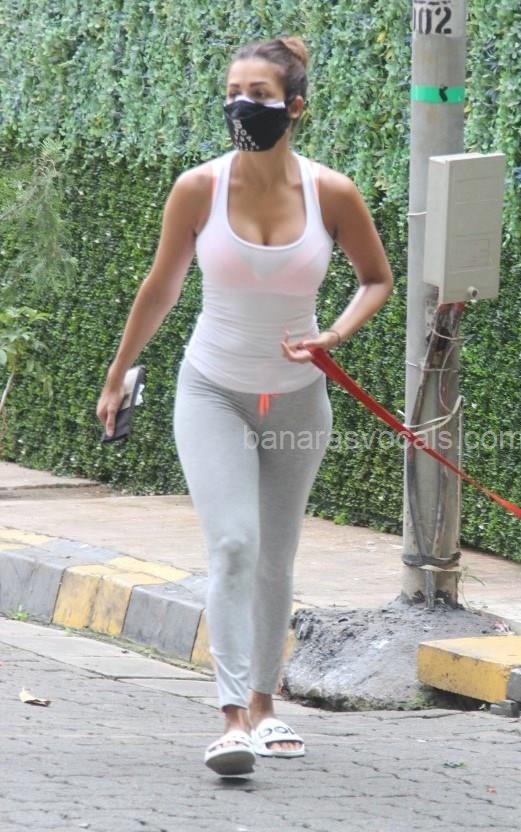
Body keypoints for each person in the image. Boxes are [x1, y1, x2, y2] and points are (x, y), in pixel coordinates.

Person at [96, 35, 393, 776]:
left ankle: (265, 706)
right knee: (233, 544)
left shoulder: (332, 192)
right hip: (212, 390)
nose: (241, 106)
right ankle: (230, 718)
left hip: (297, 399)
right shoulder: (198, 187)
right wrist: (118, 372)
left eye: (258, 95)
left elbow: (376, 278)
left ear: (295, 107)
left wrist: (332, 335)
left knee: (276, 556)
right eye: (233, 93)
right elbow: (161, 287)